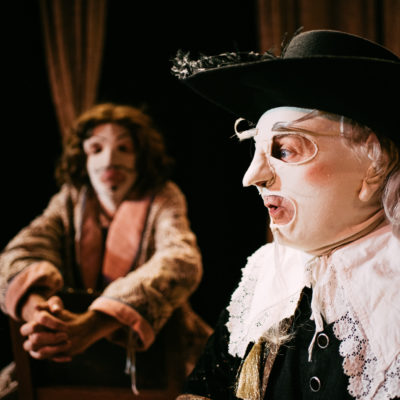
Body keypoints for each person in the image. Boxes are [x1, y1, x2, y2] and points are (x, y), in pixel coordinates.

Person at [171, 30, 400, 399]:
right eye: (257, 151)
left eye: (285, 150)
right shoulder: (266, 280)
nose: (252, 177)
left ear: (373, 167)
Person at [0, 103, 211, 394]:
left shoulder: (164, 196)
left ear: (141, 157)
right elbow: (19, 253)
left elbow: (181, 261)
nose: (110, 160)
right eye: (96, 149)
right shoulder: (70, 200)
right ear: (82, 157)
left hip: (158, 353)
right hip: (66, 359)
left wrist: (94, 324)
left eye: (124, 148)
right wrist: (41, 315)